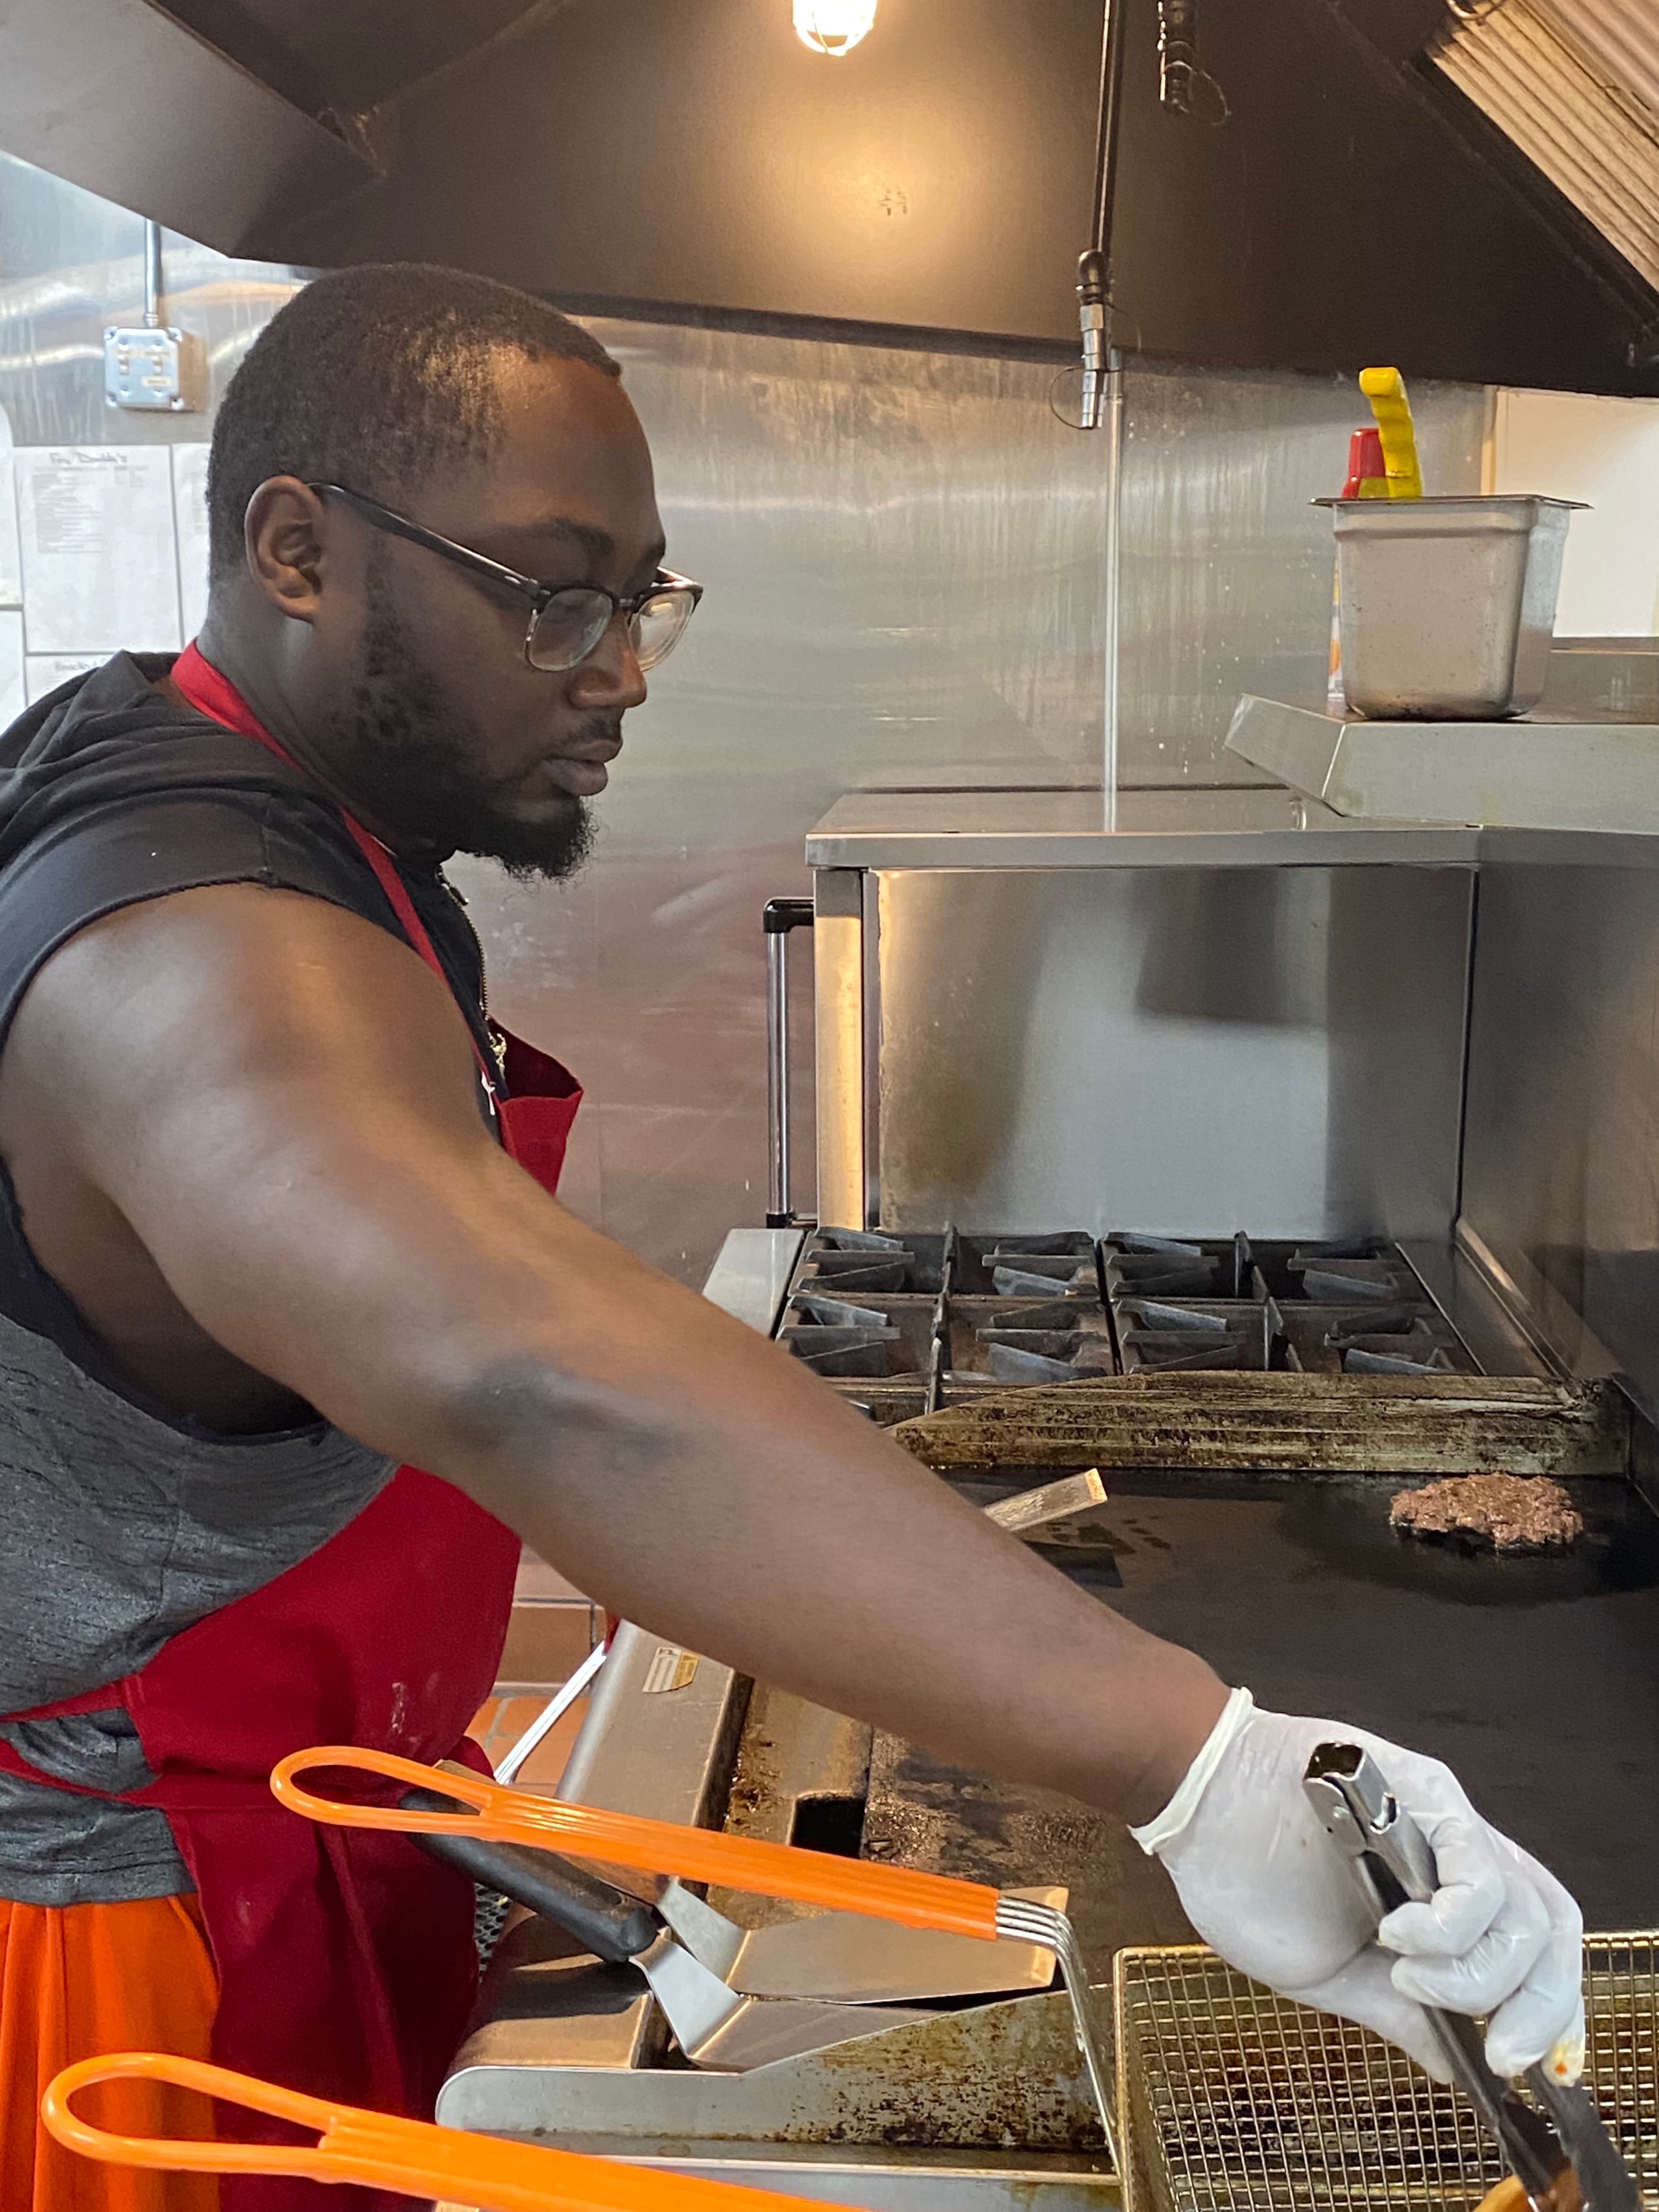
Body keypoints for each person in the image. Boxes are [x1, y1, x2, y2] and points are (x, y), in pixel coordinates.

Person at [0, 264, 1580, 2211]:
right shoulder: (187, 945)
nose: (622, 668)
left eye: (643, 595)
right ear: (298, 547)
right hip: (129, 1936)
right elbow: (523, 1363)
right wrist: (1204, 1759)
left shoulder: (272, 805)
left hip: (318, 1816)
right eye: (553, 592)